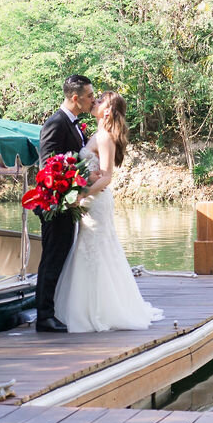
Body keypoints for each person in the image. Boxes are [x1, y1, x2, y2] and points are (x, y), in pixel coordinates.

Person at [54, 91, 164, 332]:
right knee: (91, 250)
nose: (95, 101)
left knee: (94, 251)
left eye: (100, 99)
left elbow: (107, 178)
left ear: (107, 111)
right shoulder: (96, 133)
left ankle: (99, 310)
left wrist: (82, 194)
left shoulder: (104, 137)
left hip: (96, 202)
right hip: (89, 201)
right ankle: (87, 307)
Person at [33, 74, 96, 332]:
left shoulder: (75, 124)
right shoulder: (56, 123)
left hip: (68, 203)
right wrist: (73, 183)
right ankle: (44, 316)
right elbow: (48, 164)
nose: (93, 99)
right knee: (52, 257)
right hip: (54, 204)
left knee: (61, 256)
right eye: (89, 95)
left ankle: (53, 310)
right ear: (75, 98)